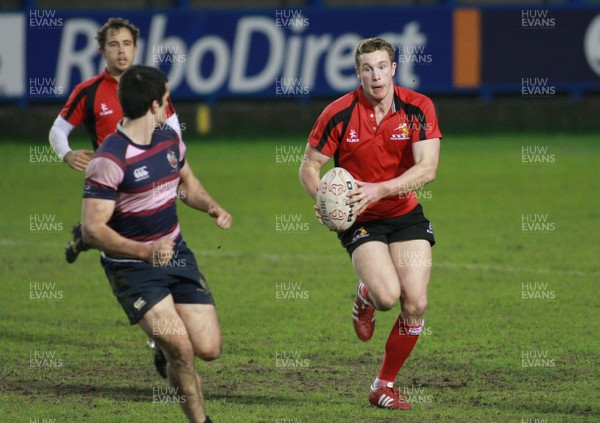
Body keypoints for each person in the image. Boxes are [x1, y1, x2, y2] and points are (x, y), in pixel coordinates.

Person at [82, 64, 231, 423]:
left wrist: (211, 206)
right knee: (182, 349)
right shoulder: (109, 159)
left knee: (208, 348)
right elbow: (91, 230)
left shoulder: (169, 138)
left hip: (176, 255)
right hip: (132, 268)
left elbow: (186, 184)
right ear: (153, 104)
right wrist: (145, 251)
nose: (168, 105)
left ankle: (164, 355)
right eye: (165, 99)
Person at [299, 37, 441, 410]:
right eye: (367, 68)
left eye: (382, 67)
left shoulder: (418, 107)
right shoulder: (338, 113)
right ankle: (365, 295)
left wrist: (380, 190)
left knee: (415, 302)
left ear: (393, 69)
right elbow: (309, 166)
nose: (375, 76)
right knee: (386, 297)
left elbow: (427, 169)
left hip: (404, 214)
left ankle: (383, 385)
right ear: (357, 72)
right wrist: (324, 201)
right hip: (360, 221)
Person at [48, 17, 182, 264]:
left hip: (150, 173)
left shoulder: (150, 84)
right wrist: (66, 153)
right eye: (113, 44)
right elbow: (58, 129)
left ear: (136, 48)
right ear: (102, 51)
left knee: (152, 234)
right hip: (114, 180)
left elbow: (173, 125)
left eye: (127, 43)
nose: (121, 50)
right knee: (122, 243)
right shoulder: (88, 92)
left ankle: (86, 237)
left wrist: (174, 160)